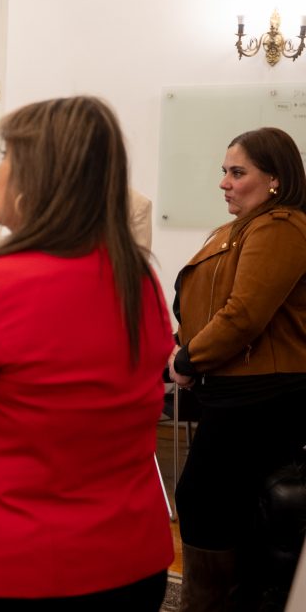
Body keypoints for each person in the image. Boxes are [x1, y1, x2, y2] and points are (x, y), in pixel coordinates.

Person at [0, 97, 175, 610]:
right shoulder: (140, 281)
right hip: (130, 558)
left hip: (12, 563)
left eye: (7, 157)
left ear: (40, 178)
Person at [168, 127, 306, 611]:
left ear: (274, 178)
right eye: (224, 172)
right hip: (233, 390)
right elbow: (211, 303)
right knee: (221, 510)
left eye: (237, 172)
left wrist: (188, 358)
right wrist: (182, 346)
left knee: (204, 503)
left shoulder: (282, 225)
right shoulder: (236, 229)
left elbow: (245, 313)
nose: (224, 182)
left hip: (264, 395)